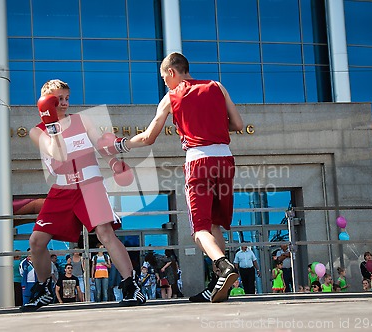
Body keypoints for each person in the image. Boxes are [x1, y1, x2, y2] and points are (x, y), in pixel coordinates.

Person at [97, 52, 243, 303]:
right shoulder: (217, 86)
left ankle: (224, 266)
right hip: (225, 159)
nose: (165, 82)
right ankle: (219, 285)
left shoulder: (172, 96)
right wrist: (213, 126)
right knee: (215, 224)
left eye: (164, 78)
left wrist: (119, 146)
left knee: (199, 230)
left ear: (172, 72)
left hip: (199, 160)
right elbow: (238, 124)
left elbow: (148, 137)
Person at [21, 79, 145, 311]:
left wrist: (114, 162)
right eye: (59, 98)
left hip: (90, 184)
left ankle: (131, 286)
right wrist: (51, 125)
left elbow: (101, 145)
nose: (65, 103)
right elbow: (58, 154)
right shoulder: (37, 131)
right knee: (36, 242)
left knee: (105, 232)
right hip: (61, 189)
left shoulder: (82, 120)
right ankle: (44, 288)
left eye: (67, 98)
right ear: (46, 101)